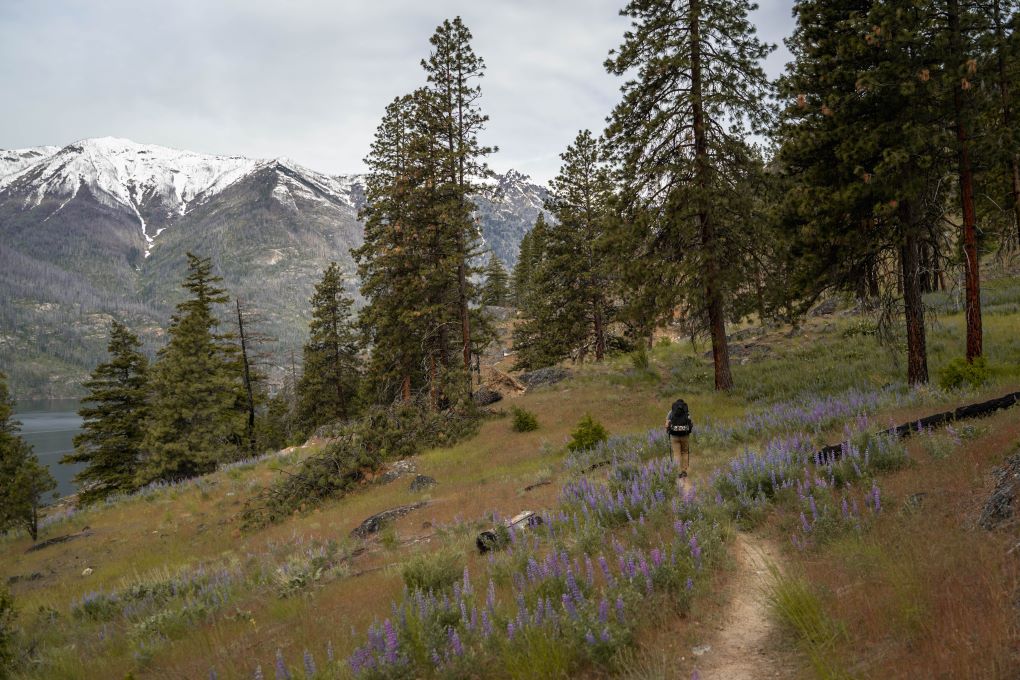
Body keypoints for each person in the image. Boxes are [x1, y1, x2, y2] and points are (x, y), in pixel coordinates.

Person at [665, 398, 693, 479]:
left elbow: (666, 424)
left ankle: (678, 472)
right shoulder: (686, 412)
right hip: (685, 435)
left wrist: (668, 429)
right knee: (684, 452)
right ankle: (684, 471)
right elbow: (690, 423)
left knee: (677, 454)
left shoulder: (671, 412)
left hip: (674, 436)